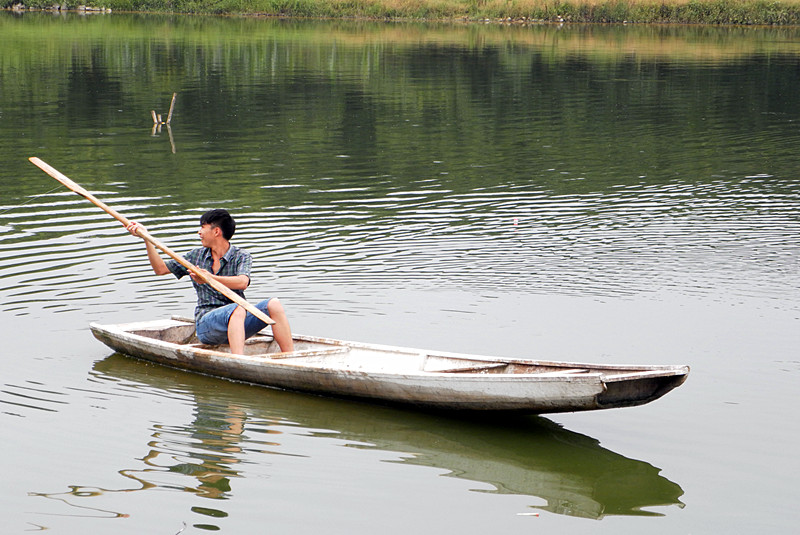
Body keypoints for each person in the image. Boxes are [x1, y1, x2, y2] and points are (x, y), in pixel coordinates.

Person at [126, 209, 294, 355]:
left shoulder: (241, 256)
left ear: (216, 232)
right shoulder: (196, 256)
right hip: (207, 325)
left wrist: (209, 278)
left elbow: (242, 282)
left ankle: (290, 356)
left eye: (203, 227)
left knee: (274, 304)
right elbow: (160, 269)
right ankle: (239, 361)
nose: (199, 232)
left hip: (238, 322)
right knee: (237, 309)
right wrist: (146, 238)